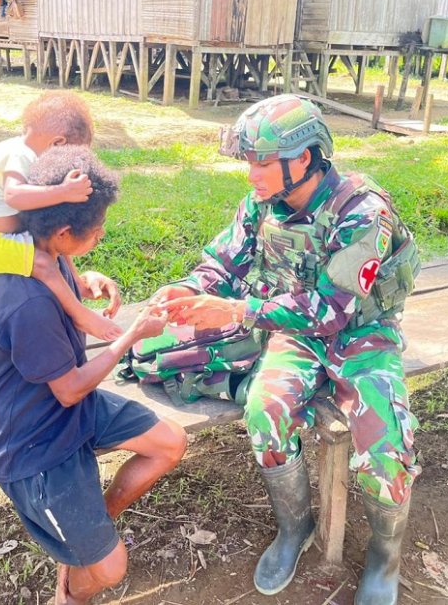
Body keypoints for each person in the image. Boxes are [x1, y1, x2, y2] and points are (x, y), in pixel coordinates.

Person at [153, 94, 420, 604]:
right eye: (248, 161)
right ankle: (294, 529)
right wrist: (190, 289)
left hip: (362, 336)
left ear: (304, 158)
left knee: (386, 448)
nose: (251, 173)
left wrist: (238, 312)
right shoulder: (262, 205)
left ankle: (386, 558)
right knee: (265, 409)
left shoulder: (362, 211)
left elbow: (332, 311)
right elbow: (224, 261)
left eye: (261, 162)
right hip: (294, 333)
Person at [0, 145, 187, 605]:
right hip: (32, 446)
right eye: (96, 234)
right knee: (110, 569)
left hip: (66, 408)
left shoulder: (45, 252)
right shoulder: (24, 300)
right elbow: (70, 389)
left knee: (170, 443)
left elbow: (69, 292)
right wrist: (130, 335)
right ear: (66, 231)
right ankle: (70, 595)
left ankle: (91, 526)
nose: (101, 236)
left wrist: (90, 277)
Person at [0, 93, 122, 342]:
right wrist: (62, 191)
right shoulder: (19, 153)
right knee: (42, 263)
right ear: (57, 143)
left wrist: (77, 279)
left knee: (50, 235)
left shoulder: (24, 153)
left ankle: (77, 285)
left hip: (6, 233)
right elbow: (13, 195)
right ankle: (81, 316)